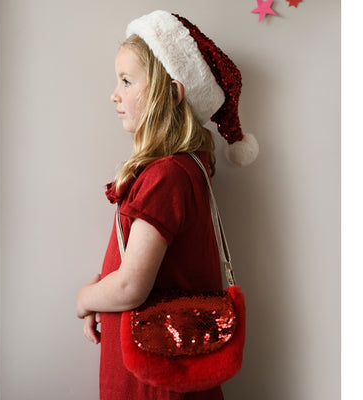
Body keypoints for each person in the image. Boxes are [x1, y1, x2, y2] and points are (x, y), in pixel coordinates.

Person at [76, 10, 258, 400]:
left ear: (172, 94)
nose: (115, 93)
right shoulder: (188, 169)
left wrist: (86, 298)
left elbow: (130, 286)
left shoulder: (165, 176)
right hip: (168, 368)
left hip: (151, 379)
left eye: (126, 81)